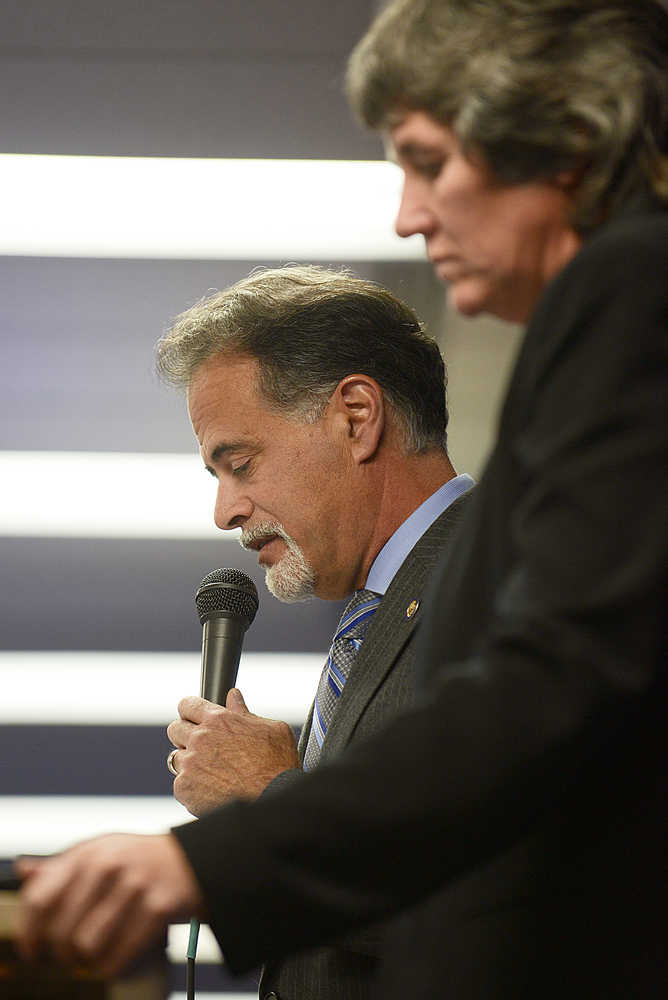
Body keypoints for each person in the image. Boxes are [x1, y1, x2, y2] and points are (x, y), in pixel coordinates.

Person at [15, 2, 668, 997]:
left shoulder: (628, 287)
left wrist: (234, 836)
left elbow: (545, 707)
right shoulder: (388, 616)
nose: (407, 214)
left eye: (427, 159)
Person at [160, 264, 473, 999]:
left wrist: (272, 800)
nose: (224, 512)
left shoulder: (510, 576)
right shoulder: (373, 619)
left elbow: (501, 902)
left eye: (238, 463)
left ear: (356, 417)